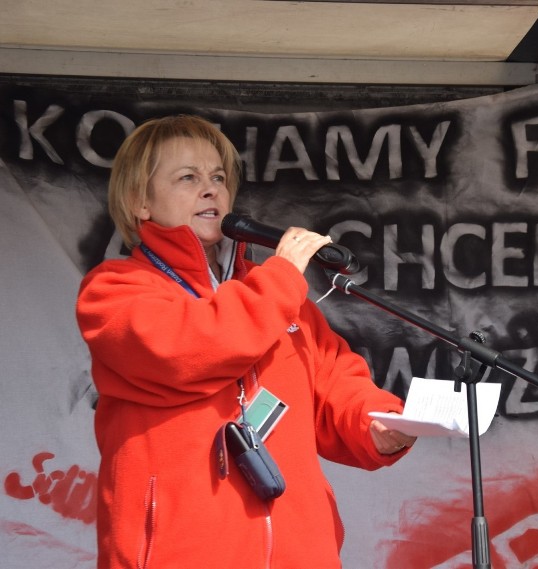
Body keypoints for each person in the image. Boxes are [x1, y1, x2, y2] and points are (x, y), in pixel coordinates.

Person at [76, 114, 417, 568]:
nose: (211, 189)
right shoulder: (114, 291)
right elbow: (191, 350)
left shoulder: (275, 295)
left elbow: (337, 382)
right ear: (140, 201)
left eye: (218, 177)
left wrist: (378, 423)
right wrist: (279, 279)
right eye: (188, 177)